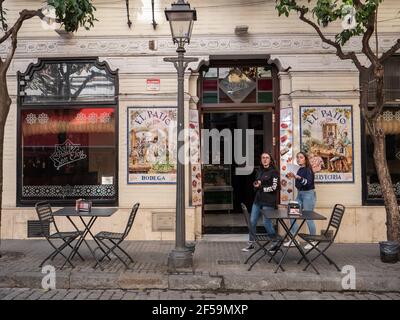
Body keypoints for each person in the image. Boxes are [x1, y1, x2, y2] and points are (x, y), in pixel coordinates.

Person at [242, 152, 280, 252]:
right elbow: (258, 182)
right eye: (263, 157)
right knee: (252, 222)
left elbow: (274, 187)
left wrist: (261, 188)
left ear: (270, 160)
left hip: (268, 201)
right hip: (258, 200)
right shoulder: (259, 171)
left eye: (267, 158)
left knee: (266, 223)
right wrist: (256, 185)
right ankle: (251, 243)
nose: (265, 159)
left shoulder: (274, 172)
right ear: (261, 160)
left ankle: (275, 243)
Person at [285, 152, 317, 250]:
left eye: (301, 157)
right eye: (297, 157)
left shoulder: (308, 170)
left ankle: (313, 241)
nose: (299, 159)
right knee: (292, 214)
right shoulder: (299, 169)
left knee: (308, 218)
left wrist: (297, 177)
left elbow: (307, 183)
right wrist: (291, 176)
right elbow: (298, 183)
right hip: (300, 194)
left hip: (308, 194)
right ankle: (294, 240)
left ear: (305, 159)